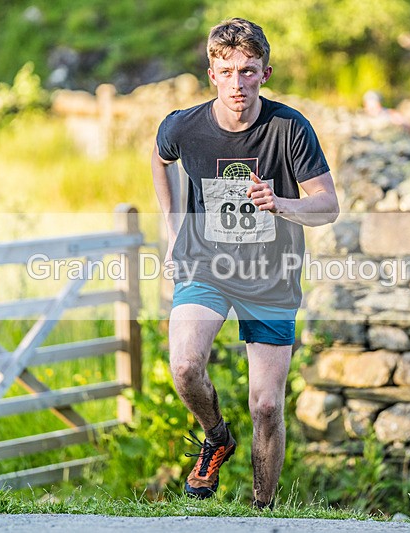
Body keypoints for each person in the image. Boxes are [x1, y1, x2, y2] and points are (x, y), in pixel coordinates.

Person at [151, 18, 339, 509]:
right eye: (228, 71)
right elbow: (159, 157)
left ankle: (261, 511)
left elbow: (328, 205)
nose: (238, 83)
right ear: (211, 73)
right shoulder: (185, 126)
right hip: (205, 265)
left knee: (267, 406)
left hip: (270, 277)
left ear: (266, 73)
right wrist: (173, 230)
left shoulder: (289, 128)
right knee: (187, 366)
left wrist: (282, 203)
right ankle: (216, 437)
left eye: (249, 71)